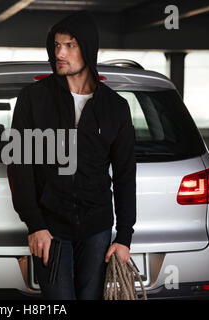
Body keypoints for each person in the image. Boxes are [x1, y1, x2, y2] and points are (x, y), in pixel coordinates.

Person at [7, 10, 136, 300]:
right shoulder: (34, 99)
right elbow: (20, 165)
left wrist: (124, 237)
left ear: (87, 49)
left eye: (69, 45)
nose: (59, 53)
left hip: (97, 229)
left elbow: (126, 175)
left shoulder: (115, 108)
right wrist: (35, 224)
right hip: (50, 229)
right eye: (56, 45)